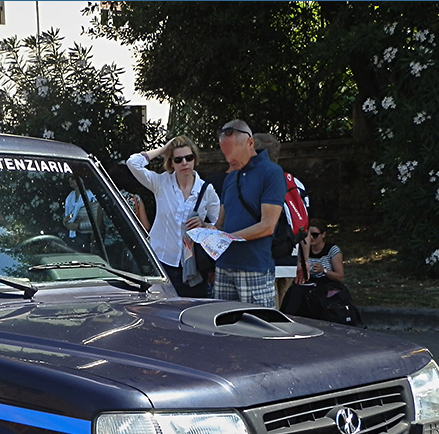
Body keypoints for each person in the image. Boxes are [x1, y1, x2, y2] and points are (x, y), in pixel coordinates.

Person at [190, 121, 284, 308]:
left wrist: (228, 238)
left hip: (254, 266)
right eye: (225, 154)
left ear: (250, 144)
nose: (228, 160)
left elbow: (268, 225)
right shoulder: (231, 177)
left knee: (257, 330)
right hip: (224, 266)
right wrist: (206, 229)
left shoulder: (271, 173)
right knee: (224, 328)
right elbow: (221, 225)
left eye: (233, 153)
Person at [126, 136, 220, 297]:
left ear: (195, 159)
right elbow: (132, 163)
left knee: (191, 314)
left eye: (189, 158)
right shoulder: (161, 183)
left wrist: (203, 225)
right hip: (161, 261)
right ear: (171, 163)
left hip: (193, 266)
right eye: (178, 159)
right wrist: (164, 148)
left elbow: (217, 225)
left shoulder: (206, 190)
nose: (184, 163)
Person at [253, 132, 310, 310]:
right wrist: (304, 261)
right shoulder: (294, 183)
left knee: (266, 314)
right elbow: (303, 226)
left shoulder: (255, 182)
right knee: (280, 309)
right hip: (289, 256)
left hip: (263, 258)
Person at [106, 163, 150, 231]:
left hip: (109, 241)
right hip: (130, 240)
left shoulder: (106, 199)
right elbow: (146, 226)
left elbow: (99, 226)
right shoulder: (135, 199)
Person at [63, 174, 98, 251]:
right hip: (70, 236)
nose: (70, 180)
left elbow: (96, 222)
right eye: (69, 177)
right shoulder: (70, 197)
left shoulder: (91, 197)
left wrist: (78, 226)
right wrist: (65, 221)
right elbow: (69, 216)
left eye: (73, 178)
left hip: (86, 238)